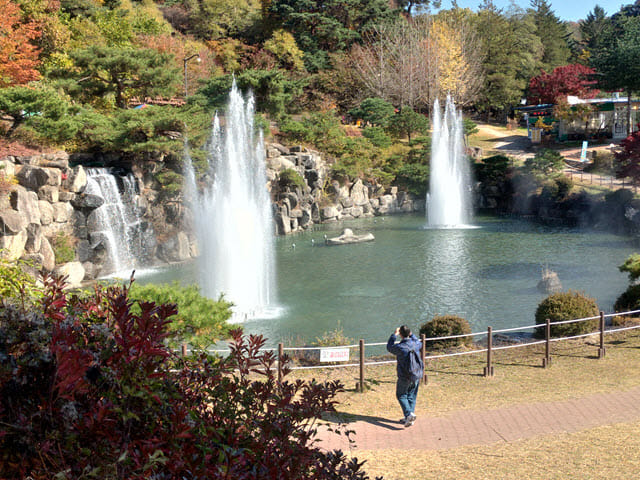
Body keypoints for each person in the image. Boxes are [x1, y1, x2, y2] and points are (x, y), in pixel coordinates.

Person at [386, 325, 424, 427]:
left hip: (404, 376)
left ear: (401, 335)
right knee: (411, 396)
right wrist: (411, 334)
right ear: (409, 333)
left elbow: (389, 347)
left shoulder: (400, 347)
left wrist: (394, 335)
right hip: (416, 374)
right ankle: (410, 418)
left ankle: (408, 414)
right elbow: (419, 342)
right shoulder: (416, 344)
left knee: (401, 395)